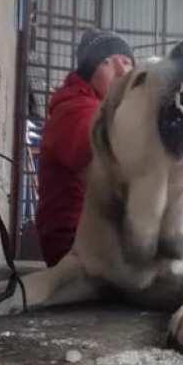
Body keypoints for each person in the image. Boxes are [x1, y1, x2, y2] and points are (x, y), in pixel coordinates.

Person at [36, 28, 134, 266]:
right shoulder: (77, 110)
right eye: (106, 62)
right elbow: (107, 180)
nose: (121, 71)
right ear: (89, 72)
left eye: (126, 62)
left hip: (94, 236)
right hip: (75, 244)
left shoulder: (104, 109)